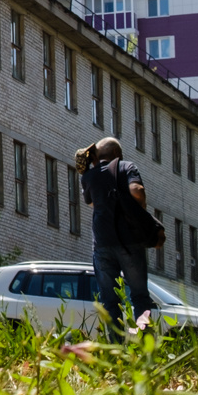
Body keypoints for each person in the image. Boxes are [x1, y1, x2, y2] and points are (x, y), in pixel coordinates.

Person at [78, 136, 155, 335]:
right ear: (116, 154)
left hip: (102, 245)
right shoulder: (126, 166)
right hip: (129, 242)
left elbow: (91, 203)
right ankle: (145, 343)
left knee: (109, 301)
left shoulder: (88, 176)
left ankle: (116, 349)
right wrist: (139, 210)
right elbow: (137, 191)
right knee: (139, 297)